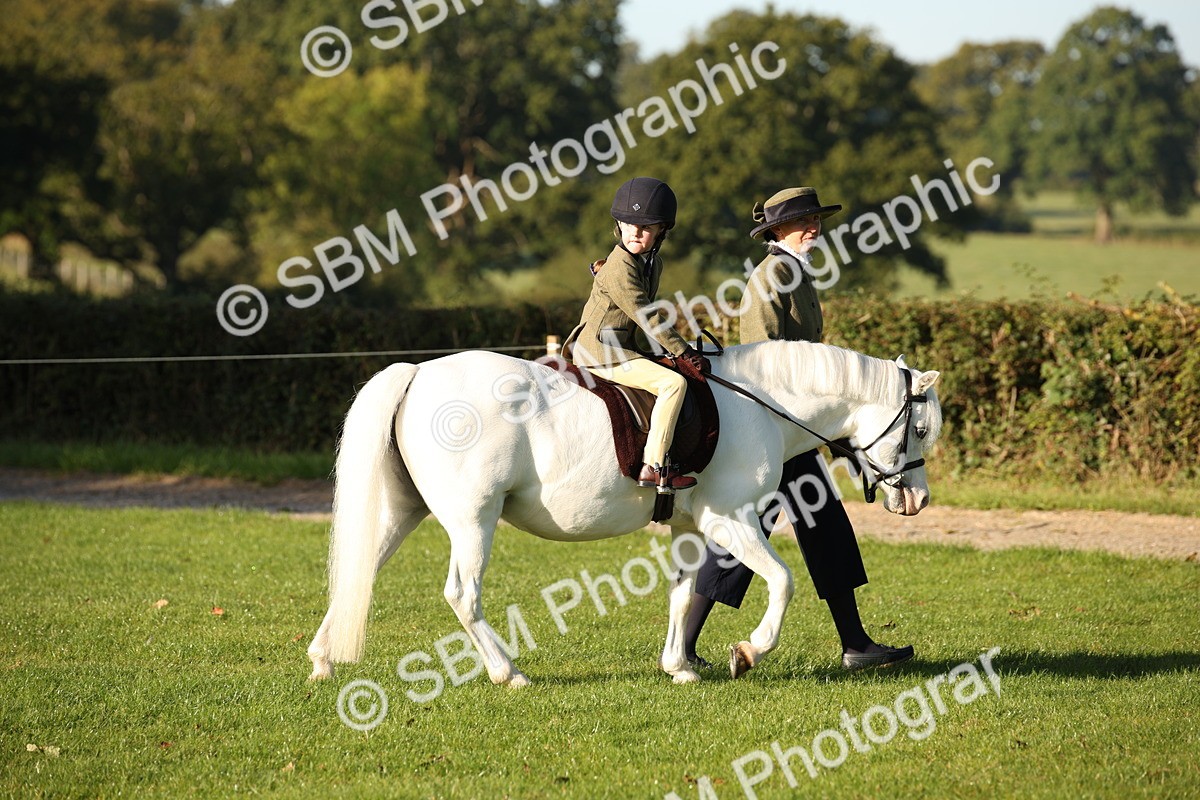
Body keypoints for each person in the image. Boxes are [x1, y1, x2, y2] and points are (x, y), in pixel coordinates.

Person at [682, 186, 914, 671]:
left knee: (817, 527)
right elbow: (760, 355)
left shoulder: (796, 271)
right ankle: (683, 645)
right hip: (772, 431)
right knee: (755, 530)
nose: (813, 228)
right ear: (775, 231)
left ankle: (854, 644)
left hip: (793, 432)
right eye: (801, 222)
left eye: (815, 219)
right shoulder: (773, 273)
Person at [563, 177, 710, 489]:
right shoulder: (619, 266)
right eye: (628, 225)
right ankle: (654, 466)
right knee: (673, 384)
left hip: (621, 347)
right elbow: (646, 315)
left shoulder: (650, 264)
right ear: (618, 224)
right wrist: (683, 352)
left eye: (645, 228)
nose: (636, 233)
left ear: (661, 232)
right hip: (600, 352)